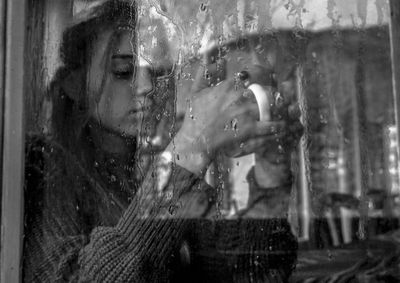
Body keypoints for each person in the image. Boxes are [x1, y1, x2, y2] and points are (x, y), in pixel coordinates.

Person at [23, 0, 300, 282]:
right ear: (75, 84)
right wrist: (190, 148)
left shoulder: (153, 167)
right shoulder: (44, 167)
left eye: (157, 72)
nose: (146, 87)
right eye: (123, 72)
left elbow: (254, 274)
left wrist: (270, 171)